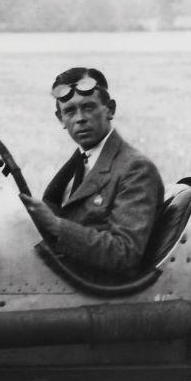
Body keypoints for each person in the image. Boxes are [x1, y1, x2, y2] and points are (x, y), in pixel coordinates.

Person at [19, 67, 164, 279]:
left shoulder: (136, 169)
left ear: (110, 109)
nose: (80, 118)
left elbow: (125, 252)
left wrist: (56, 226)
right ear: (61, 119)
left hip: (100, 289)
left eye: (88, 107)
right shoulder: (79, 163)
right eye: (70, 111)